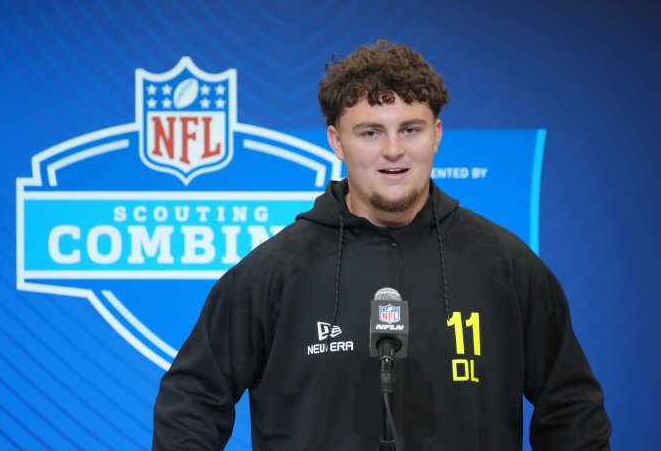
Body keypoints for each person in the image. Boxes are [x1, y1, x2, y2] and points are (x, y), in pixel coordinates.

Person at [153, 40, 611, 450]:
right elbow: (192, 401)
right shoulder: (275, 271)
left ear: (437, 134)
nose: (393, 151)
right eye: (370, 132)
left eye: (410, 129)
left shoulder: (505, 265)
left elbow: (571, 411)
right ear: (337, 141)